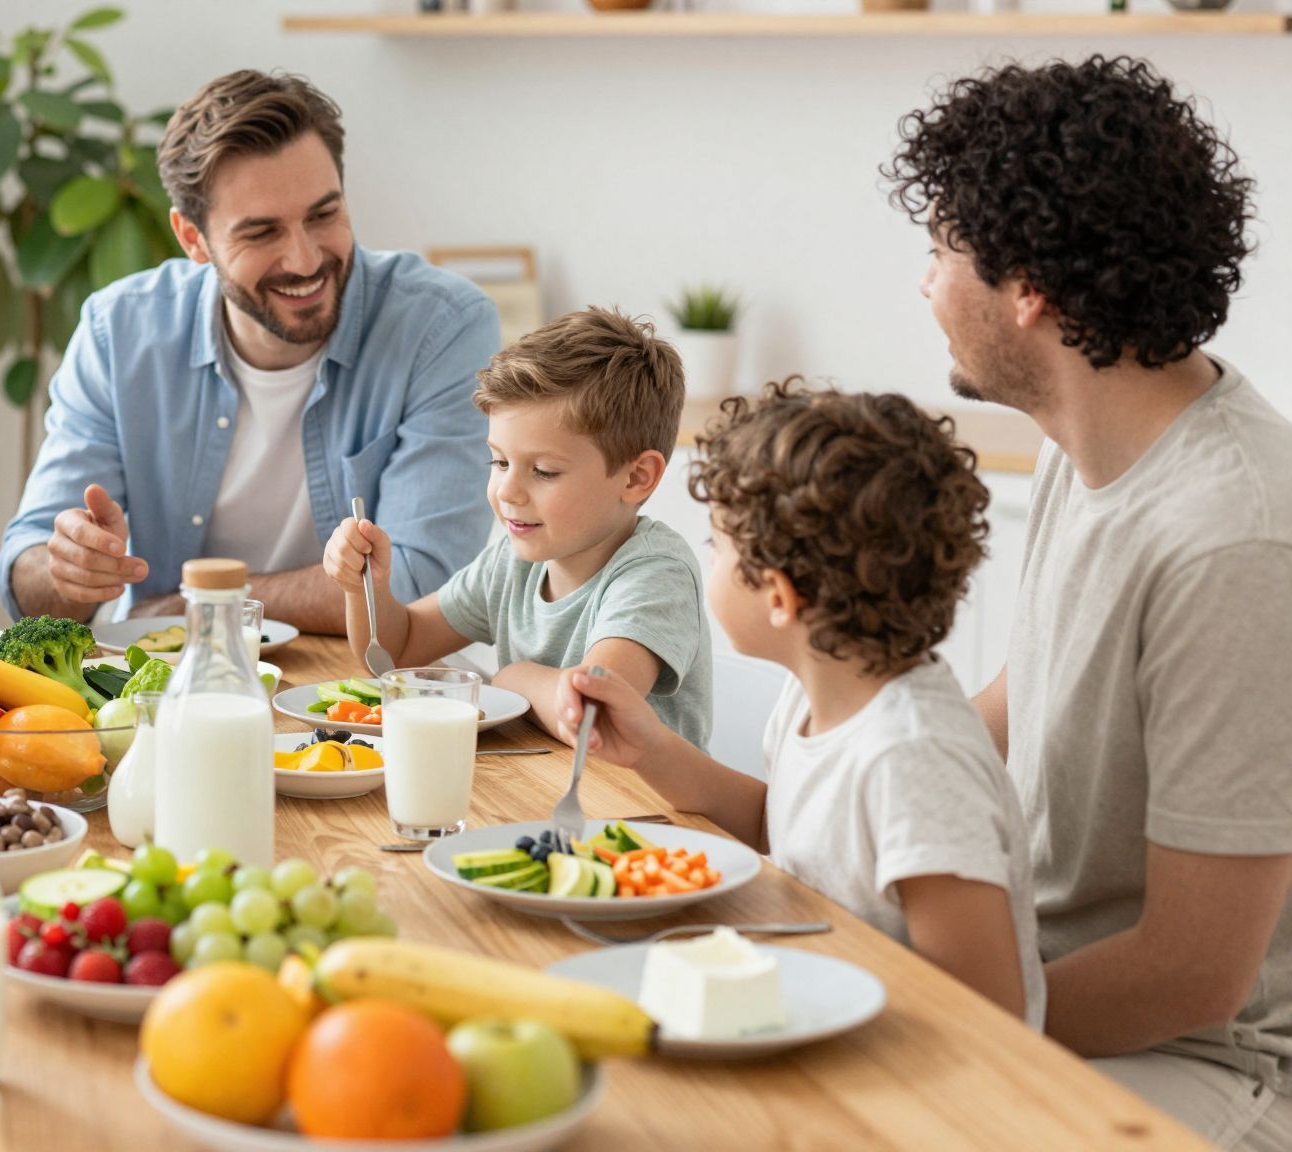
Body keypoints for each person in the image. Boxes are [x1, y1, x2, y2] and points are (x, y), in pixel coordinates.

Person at [886, 55, 1292, 1146]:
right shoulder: (1087, 442)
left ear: (1027, 290)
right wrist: (829, 786)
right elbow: (1028, 694)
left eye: (940, 250)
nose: (925, 285)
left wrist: (909, 1012)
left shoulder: (1232, 539)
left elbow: (1191, 974)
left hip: (1208, 1068)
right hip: (1041, 986)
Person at [561, 380, 1042, 1024]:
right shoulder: (816, 693)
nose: (709, 562)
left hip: (911, 1057)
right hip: (812, 1007)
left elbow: (987, 1009)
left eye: (717, 547)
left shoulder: (916, 762)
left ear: (779, 597)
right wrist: (651, 748)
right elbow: (776, 823)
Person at [0, 70, 499, 632]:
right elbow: (26, 577)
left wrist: (199, 605)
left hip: (365, 676)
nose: (305, 260)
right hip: (171, 674)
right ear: (193, 238)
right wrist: (67, 569)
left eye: (323, 215)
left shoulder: (441, 327)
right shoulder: (119, 333)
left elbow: (420, 581)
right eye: (261, 233)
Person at [323, 307, 711, 747]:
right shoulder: (511, 562)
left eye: (544, 471)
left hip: (623, 794)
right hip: (538, 781)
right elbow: (399, 650)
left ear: (636, 477)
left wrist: (512, 678)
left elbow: (595, 714)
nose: (507, 491)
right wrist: (365, 589)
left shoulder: (657, 575)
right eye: (499, 461)